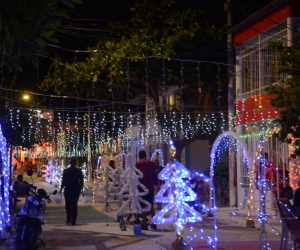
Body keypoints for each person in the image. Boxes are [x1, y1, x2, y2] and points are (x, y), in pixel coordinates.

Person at [135, 150, 157, 230]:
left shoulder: (138, 164)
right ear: (146, 155)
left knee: (143, 206)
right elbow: (155, 173)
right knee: (151, 205)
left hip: (142, 188)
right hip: (150, 187)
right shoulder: (151, 163)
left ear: (139, 156)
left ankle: (144, 223)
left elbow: (136, 175)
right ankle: (154, 223)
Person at [59, 158, 84, 226]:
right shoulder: (78, 171)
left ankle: (69, 218)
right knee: (74, 205)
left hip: (68, 190)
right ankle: (73, 220)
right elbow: (81, 181)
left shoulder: (66, 171)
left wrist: (61, 188)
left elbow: (64, 180)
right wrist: (80, 189)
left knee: (68, 205)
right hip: (75, 190)